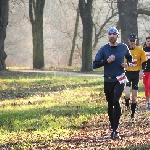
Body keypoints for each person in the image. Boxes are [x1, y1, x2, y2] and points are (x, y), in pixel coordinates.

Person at [93, 27, 132, 140]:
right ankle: (112, 126)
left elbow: (130, 58)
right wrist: (107, 61)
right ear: (108, 36)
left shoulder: (123, 47)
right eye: (110, 34)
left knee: (116, 100)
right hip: (107, 79)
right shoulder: (104, 49)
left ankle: (116, 129)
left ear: (117, 36)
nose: (112, 36)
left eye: (114, 34)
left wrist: (127, 65)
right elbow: (94, 65)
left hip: (119, 78)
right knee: (110, 104)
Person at [124, 33, 147, 118]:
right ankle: (126, 105)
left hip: (136, 74)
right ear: (128, 41)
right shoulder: (125, 50)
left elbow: (144, 62)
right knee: (127, 94)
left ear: (136, 41)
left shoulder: (140, 50)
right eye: (131, 40)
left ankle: (132, 114)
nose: (132, 42)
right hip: (127, 73)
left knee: (134, 98)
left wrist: (141, 71)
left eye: (134, 40)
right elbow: (122, 62)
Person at [141, 36, 150, 110]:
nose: (149, 42)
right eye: (148, 41)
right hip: (144, 71)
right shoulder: (143, 50)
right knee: (146, 87)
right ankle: (148, 102)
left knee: (149, 85)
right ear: (146, 42)